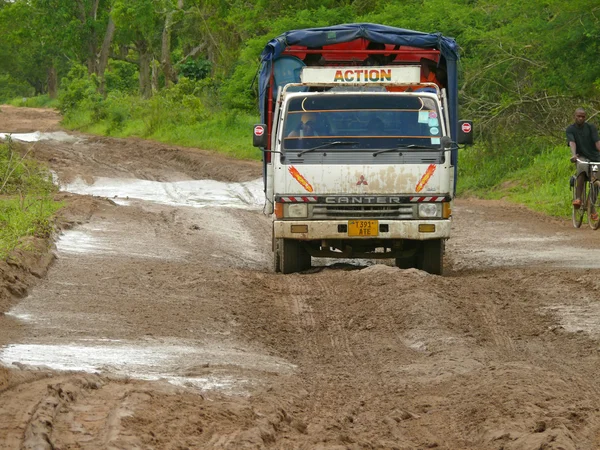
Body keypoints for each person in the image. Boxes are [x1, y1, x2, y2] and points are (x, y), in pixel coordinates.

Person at [566, 107, 600, 212]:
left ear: (585, 117)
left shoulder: (591, 127)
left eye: (583, 116)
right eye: (578, 116)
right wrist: (574, 155)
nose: (581, 118)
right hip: (581, 156)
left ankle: (591, 207)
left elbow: (597, 142)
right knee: (582, 168)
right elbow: (572, 142)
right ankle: (578, 198)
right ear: (574, 116)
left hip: (594, 156)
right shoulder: (570, 129)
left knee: (596, 178)